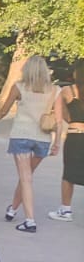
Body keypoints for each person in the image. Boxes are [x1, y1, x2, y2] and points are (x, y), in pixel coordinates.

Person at [0, 55, 64, 233]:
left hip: (22, 135)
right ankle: (13, 209)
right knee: (27, 176)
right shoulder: (55, 90)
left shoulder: (19, 87)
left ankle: (30, 221)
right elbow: (59, 120)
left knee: (26, 178)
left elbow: (4, 109)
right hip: (43, 139)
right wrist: (57, 143)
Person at [51, 62, 84, 222]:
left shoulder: (68, 90)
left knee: (68, 173)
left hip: (75, 134)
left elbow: (63, 115)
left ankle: (65, 210)